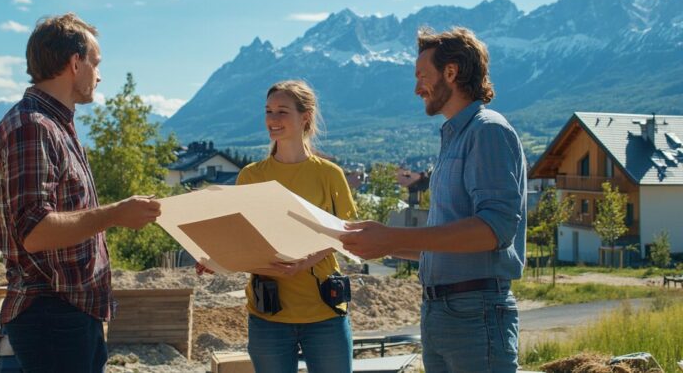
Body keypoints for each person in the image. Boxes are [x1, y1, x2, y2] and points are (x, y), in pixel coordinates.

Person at [341, 27, 527, 372]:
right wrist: (382, 244)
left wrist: (393, 237)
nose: (416, 89)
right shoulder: (456, 138)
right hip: (443, 313)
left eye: (422, 76)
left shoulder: (488, 131)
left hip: (475, 314)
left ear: (451, 72)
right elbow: (446, 243)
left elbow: (494, 229)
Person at [0, 13, 162, 373]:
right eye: (96, 63)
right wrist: (116, 213)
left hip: (66, 313)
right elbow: (35, 232)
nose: (99, 75)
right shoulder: (33, 128)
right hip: (53, 315)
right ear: (75, 62)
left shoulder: (54, 126)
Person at [201, 80, 356, 373]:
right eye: (268, 111)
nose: (272, 119)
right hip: (268, 317)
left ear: (305, 117)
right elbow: (240, 236)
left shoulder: (329, 175)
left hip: (324, 313)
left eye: (282, 111)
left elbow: (343, 233)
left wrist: (304, 261)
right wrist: (216, 258)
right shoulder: (250, 176)